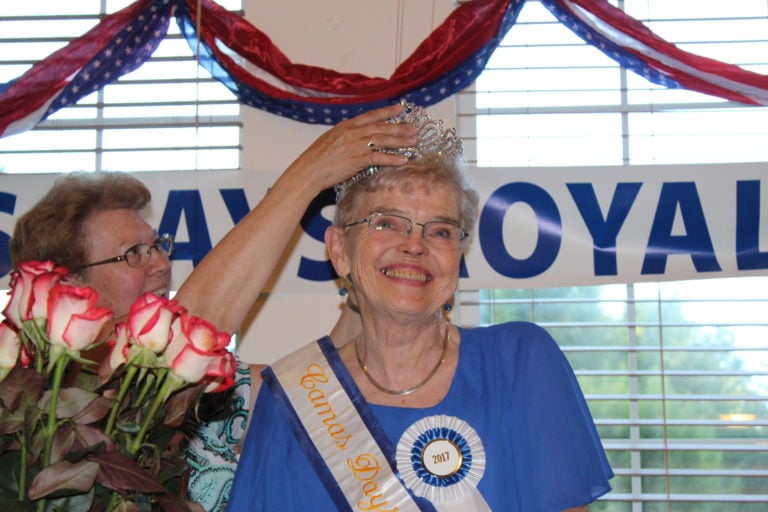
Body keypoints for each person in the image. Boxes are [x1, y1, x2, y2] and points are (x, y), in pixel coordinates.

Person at [7, 103, 416, 511]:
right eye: (133, 253)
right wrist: (310, 174)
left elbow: (325, 383)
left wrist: (367, 270)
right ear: (69, 285)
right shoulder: (28, 414)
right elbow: (199, 317)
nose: (161, 264)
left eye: (157, 246)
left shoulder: (214, 386)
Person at [226, 102, 614, 511]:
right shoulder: (291, 398)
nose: (414, 245)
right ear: (339, 251)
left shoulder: (519, 362)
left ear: (457, 257)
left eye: (441, 231)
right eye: (387, 223)